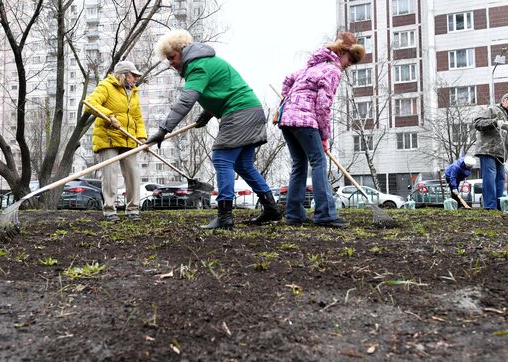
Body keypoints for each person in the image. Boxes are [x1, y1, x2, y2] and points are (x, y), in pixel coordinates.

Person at [146, 29, 281, 229]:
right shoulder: (206, 62)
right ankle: (271, 209)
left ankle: (225, 216)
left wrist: (164, 129)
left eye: (172, 57)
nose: (170, 63)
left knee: (221, 158)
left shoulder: (197, 66)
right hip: (251, 110)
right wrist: (208, 112)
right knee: (244, 165)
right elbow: (222, 89)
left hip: (239, 112)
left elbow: (186, 101)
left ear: (183, 51)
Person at [278, 32, 365, 227]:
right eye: (349, 59)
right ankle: (325, 214)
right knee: (318, 162)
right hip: (305, 121)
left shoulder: (311, 68)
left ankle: (294, 215)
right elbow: (323, 106)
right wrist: (324, 135)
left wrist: (288, 99)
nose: (348, 64)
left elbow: (287, 79)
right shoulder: (333, 71)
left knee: (299, 165)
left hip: (287, 120)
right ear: (342, 52)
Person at [85, 60, 147, 222]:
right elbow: (90, 104)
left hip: (129, 138)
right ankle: (109, 210)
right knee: (110, 175)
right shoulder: (106, 86)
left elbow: (137, 117)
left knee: (133, 173)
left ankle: (133, 210)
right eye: (134, 76)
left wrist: (142, 137)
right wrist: (110, 116)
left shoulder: (133, 92)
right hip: (109, 137)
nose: (136, 79)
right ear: (124, 75)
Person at [474, 92, 508, 210]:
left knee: (500, 178)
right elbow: (477, 123)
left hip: (501, 153)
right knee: (490, 176)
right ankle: (490, 206)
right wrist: (495, 122)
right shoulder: (492, 110)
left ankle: (500, 205)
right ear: (504, 100)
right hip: (488, 149)